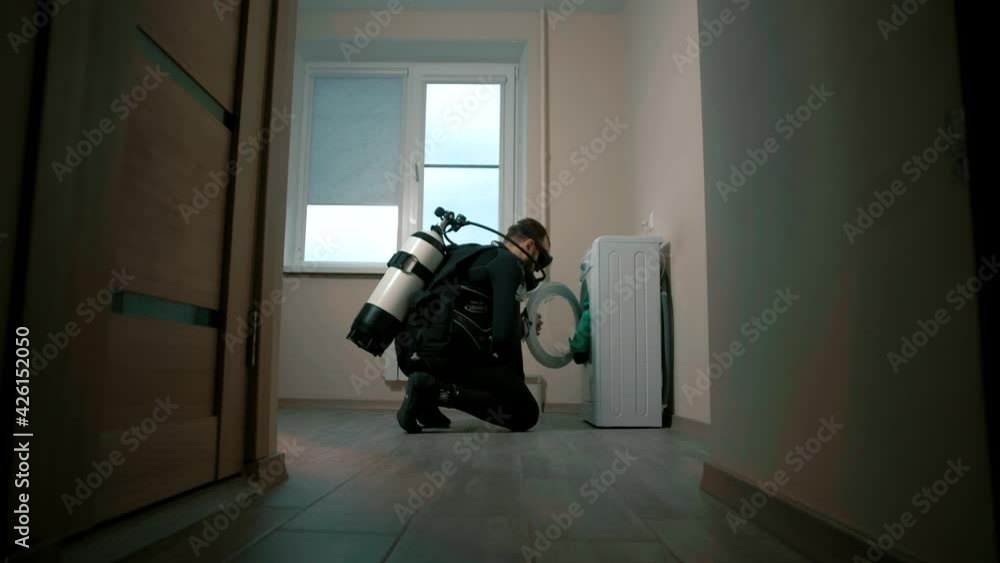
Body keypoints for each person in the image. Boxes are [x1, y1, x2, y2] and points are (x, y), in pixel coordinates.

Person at [394, 218, 551, 433]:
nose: (536, 268)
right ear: (529, 246)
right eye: (539, 259)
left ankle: (425, 404)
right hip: (442, 352)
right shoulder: (508, 264)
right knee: (525, 413)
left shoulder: (476, 256)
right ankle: (432, 391)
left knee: (485, 373)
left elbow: (475, 321)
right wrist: (516, 385)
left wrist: (520, 326)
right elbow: (504, 338)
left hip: (409, 351)